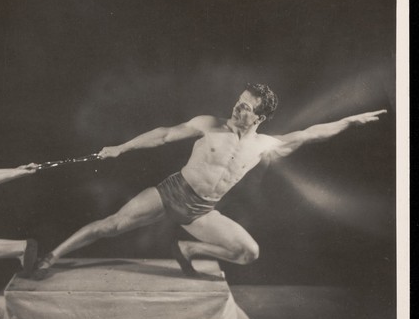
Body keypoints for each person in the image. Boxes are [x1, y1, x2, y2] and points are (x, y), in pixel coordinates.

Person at [34, 83, 387, 278]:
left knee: (248, 253)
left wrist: (353, 121)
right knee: (111, 225)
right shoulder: (209, 124)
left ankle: (190, 249)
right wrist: (121, 148)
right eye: (239, 101)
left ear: (260, 117)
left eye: (247, 107)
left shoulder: (267, 145)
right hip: (172, 191)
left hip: (202, 212)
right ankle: (51, 256)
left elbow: (313, 133)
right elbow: (164, 134)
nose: (238, 108)